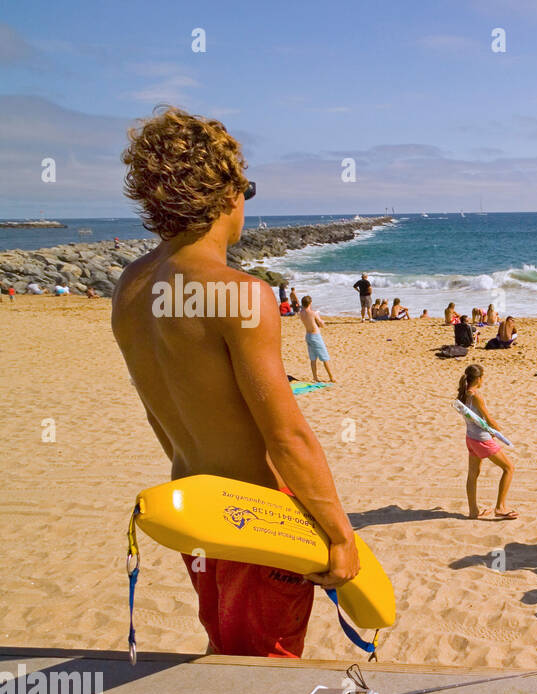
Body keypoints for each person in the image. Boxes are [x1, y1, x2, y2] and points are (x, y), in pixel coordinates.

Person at [112, 106, 358, 657]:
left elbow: (159, 413)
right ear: (229, 193)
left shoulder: (130, 287)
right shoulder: (239, 293)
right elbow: (286, 437)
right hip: (255, 521)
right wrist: (341, 535)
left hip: (194, 512)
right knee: (262, 671)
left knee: (228, 653)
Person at [458, 364, 517, 519]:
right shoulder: (476, 396)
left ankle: (473, 511)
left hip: (470, 438)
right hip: (481, 439)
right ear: (478, 379)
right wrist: (498, 431)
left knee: (472, 474)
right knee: (509, 468)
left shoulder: (462, 393)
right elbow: (488, 417)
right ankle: (500, 508)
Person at [298, 295, 334, 382]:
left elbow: (310, 320)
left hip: (308, 335)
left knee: (313, 358)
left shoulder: (301, 313)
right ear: (310, 303)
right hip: (315, 336)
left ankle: (315, 377)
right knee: (324, 357)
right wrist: (321, 320)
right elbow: (321, 325)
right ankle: (331, 377)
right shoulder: (313, 313)